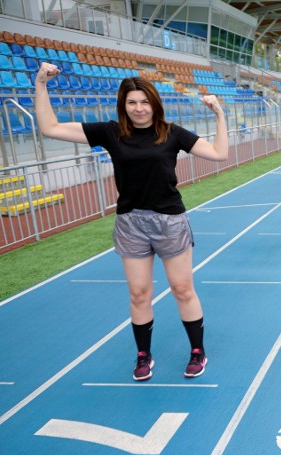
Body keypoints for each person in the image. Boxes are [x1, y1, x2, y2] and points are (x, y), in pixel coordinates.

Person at [34, 62, 228, 381]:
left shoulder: (171, 133)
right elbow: (50, 127)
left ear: (154, 103)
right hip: (130, 223)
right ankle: (143, 355)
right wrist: (41, 83)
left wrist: (219, 114)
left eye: (144, 101)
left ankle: (197, 351)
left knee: (182, 288)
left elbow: (220, 154)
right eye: (132, 102)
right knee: (139, 293)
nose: (139, 108)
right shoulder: (111, 132)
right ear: (124, 105)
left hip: (170, 221)